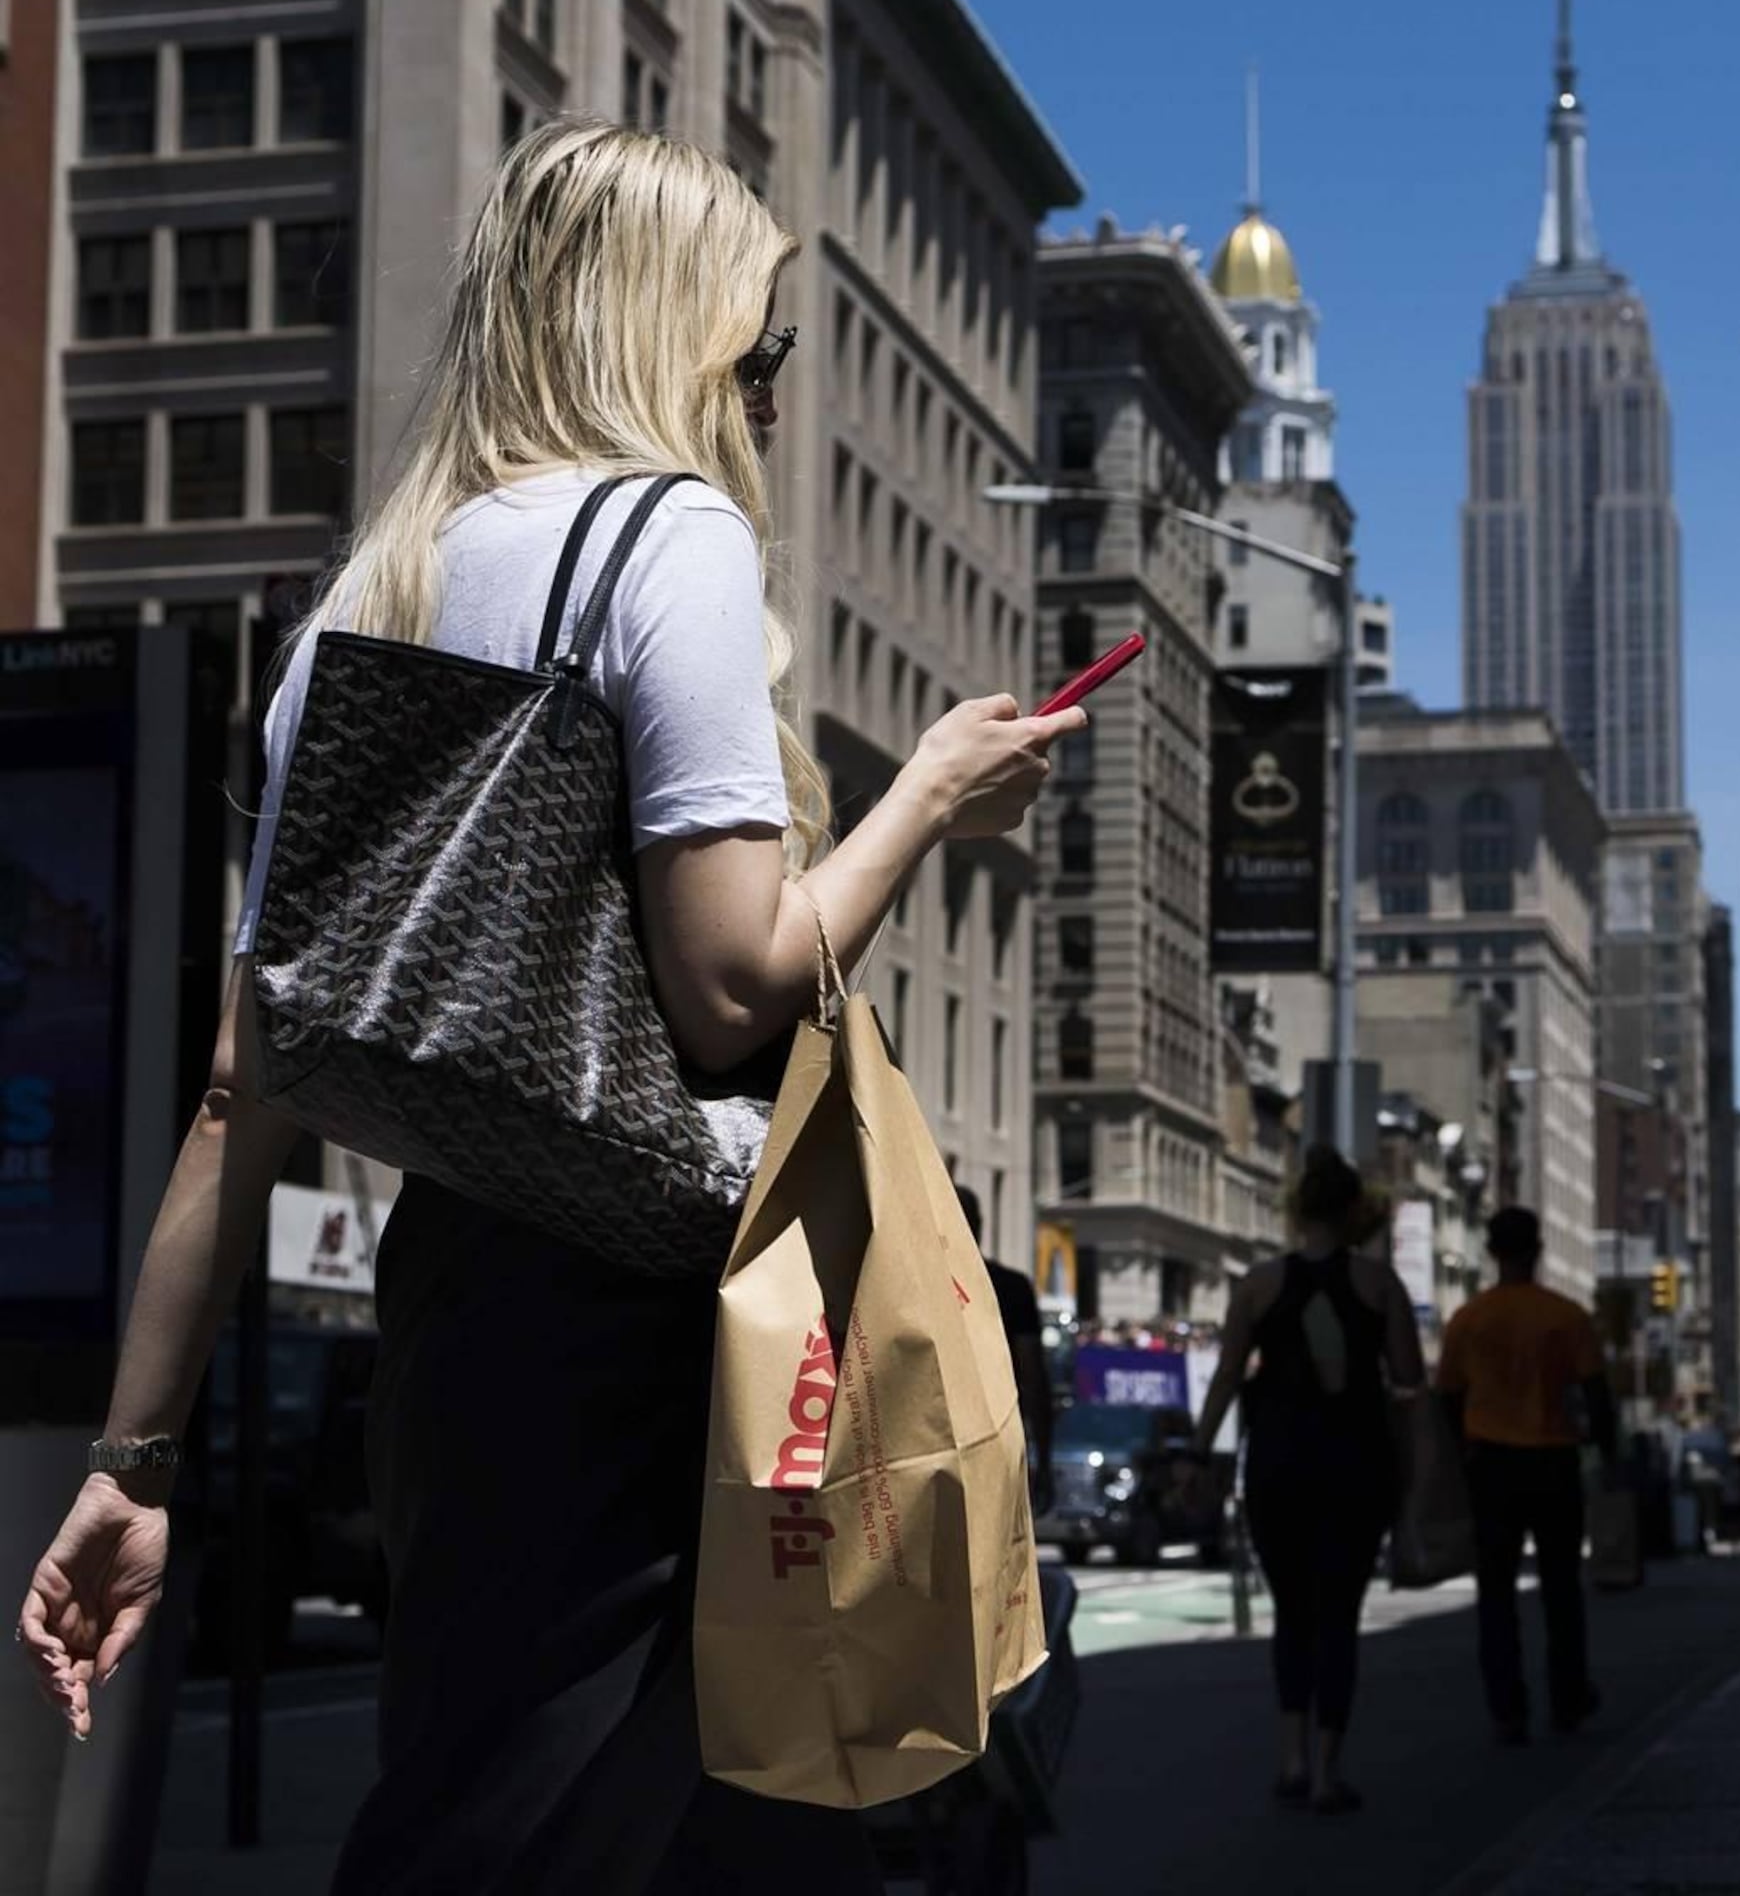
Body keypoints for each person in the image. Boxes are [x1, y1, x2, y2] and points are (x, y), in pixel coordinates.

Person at [14, 121, 1086, 1893]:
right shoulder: (672, 540)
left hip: (458, 1308)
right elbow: (735, 981)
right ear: (670, 330)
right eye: (758, 346)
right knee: (618, 1829)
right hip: (671, 1318)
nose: (763, 390)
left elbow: (241, 1084)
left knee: (505, 1785)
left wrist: (136, 1458)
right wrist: (928, 797)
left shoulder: (370, 597)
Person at [1191, 1147, 1424, 1815]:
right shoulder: (1381, 1285)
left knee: (1292, 1615)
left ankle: (1289, 1757)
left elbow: (1228, 1377)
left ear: (1296, 1212)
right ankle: (1327, 1770)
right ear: (1355, 1211)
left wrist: (1199, 1452)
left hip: (1279, 1466)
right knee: (1339, 1617)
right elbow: (1409, 1383)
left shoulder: (1259, 1284)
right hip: (1356, 1466)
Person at [1437, 1205, 1618, 1747]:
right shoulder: (1566, 1317)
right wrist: (1608, 1459)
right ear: (1538, 1250)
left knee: (1495, 1594)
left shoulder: (1468, 1320)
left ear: (1491, 1253)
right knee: (1562, 1590)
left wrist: (1459, 1456)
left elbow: (1446, 1398)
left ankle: (1507, 1710)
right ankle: (1567, 1698)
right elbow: (1597, 1397)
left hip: (1489, 1466)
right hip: (1553, 1461)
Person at [956, 1186, 1055, 1508]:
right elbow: (1033, 1375)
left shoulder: (912, 1286)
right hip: (994, 1435)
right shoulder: (1011, 1287)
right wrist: (1044, 1457)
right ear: (979, 1225)